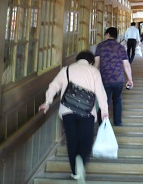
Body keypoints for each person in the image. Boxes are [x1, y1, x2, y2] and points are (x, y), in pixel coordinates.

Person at [38, 51, 108, 183]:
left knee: (72, 139)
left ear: (77, 59)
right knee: (86, 139)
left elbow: (54, 86)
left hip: (67, 111)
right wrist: (104, 111)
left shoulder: (66, 70)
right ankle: (81, 159)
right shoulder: (94, 72)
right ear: (91, 61)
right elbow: (101, 93)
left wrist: (47, 103)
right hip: (87, 112)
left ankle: (75, 171)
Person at [95, 27, 133, 126]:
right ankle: (118, 122)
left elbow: (96, 64)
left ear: (107, 34)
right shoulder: (120, 47)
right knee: (117, 100)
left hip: (105, 79)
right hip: (119, 79)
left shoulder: (100, 46)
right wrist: (130, 79)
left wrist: (93, 77)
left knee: (104, 101)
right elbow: (126, 64)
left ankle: (102, 124)